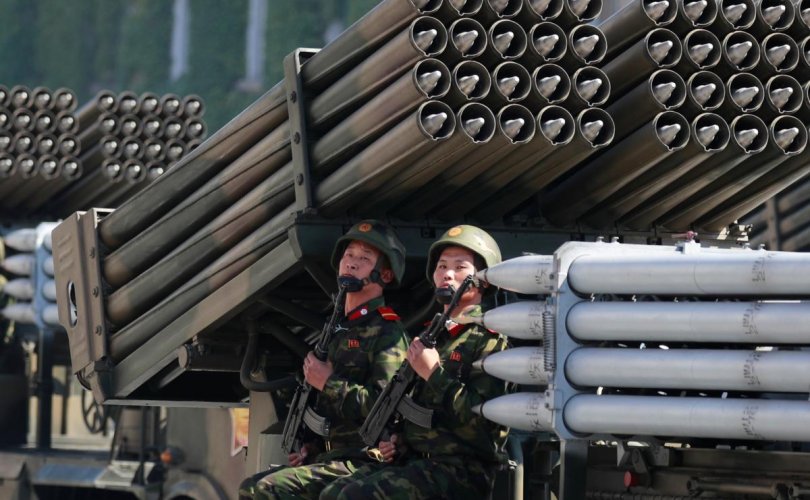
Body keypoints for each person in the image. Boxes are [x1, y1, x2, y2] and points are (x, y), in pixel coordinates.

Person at [321, 224, 511, 500]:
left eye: (460, 268)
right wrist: (398, 441)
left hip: (462, 471)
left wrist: (434, 373)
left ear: (484, 280)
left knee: (354, 496)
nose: (447, 273)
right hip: (417, 464)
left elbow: (482, 425)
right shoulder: (430, 338)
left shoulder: (490, 341)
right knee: (333, 493)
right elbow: (413, 409)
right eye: (441, 266)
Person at [239, 220, 409, 499]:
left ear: (385, 275)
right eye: (349, 255)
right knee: (255, 488)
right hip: (333, 459)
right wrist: (311, 447)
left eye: (365, 259)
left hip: (368, 460)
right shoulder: (336, 329)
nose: (351, 264)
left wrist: (328, 382)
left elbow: (386, 406)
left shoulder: (388, 331)